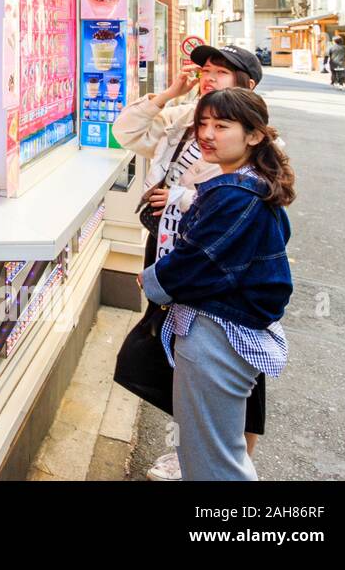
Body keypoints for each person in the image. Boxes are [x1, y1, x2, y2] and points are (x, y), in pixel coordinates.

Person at [112, 44, 266, 481]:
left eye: (222, 73)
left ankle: (228, 458)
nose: (208, 79)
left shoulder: (249, 137)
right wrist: (166, 94)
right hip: (169, 244)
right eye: (206, 71)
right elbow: (126, 133)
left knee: (224, 359)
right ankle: (199, 453)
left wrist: (179, 197)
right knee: (180, 355)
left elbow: (241, 196)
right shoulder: (187, 118)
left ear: (248, 88)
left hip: (206, 262)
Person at [140, 88, 294, 481]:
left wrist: (149, 281)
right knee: (215, 452)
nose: (207, 134)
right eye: (203, 124)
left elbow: (195, 262)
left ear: (254, 135)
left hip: (215, 336)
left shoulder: (235, 193)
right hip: (227, 332)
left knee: (212, 461)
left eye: (222, 126)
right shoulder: (250, 182)